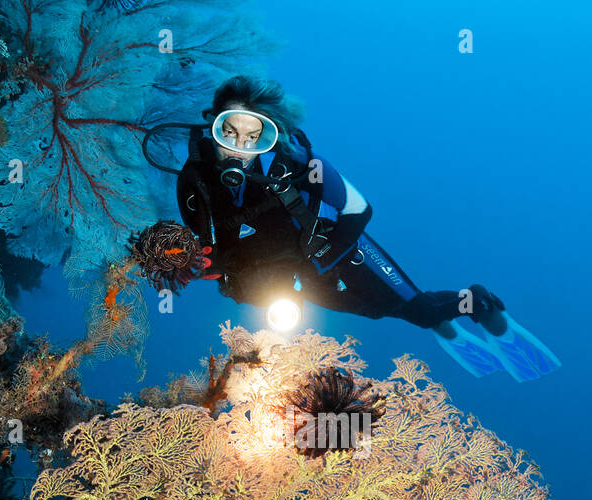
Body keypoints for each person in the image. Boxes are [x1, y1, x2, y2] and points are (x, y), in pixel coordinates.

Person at [153, 75, 559, 381]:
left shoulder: (296, 163)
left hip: (344, 250)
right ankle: (434, 315)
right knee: (378, 311)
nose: (239, 147)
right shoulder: (195, 181)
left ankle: (476, 302)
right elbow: (211, 246)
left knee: (413, 308)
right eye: (229, 131)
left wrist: (328, 250)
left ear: (269, 134)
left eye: (253, 136)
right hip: (299, 276)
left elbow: (358, 208)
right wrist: (191, 265)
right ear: (212, 124)